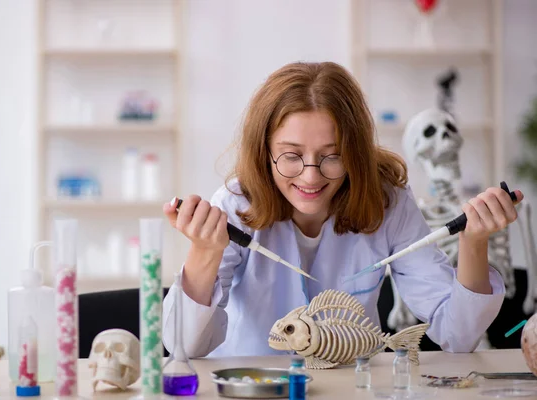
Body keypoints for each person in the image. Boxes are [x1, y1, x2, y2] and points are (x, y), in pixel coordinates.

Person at [161, 61, 523, 358]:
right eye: (291, 156)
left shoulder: (388, 203)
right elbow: (183, 347)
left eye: (332, 156)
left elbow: (457, 336)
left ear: (356, 152)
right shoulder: (236, 206)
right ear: (264, 152)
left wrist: (474, 243)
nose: (311, 175)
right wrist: (204, 255)